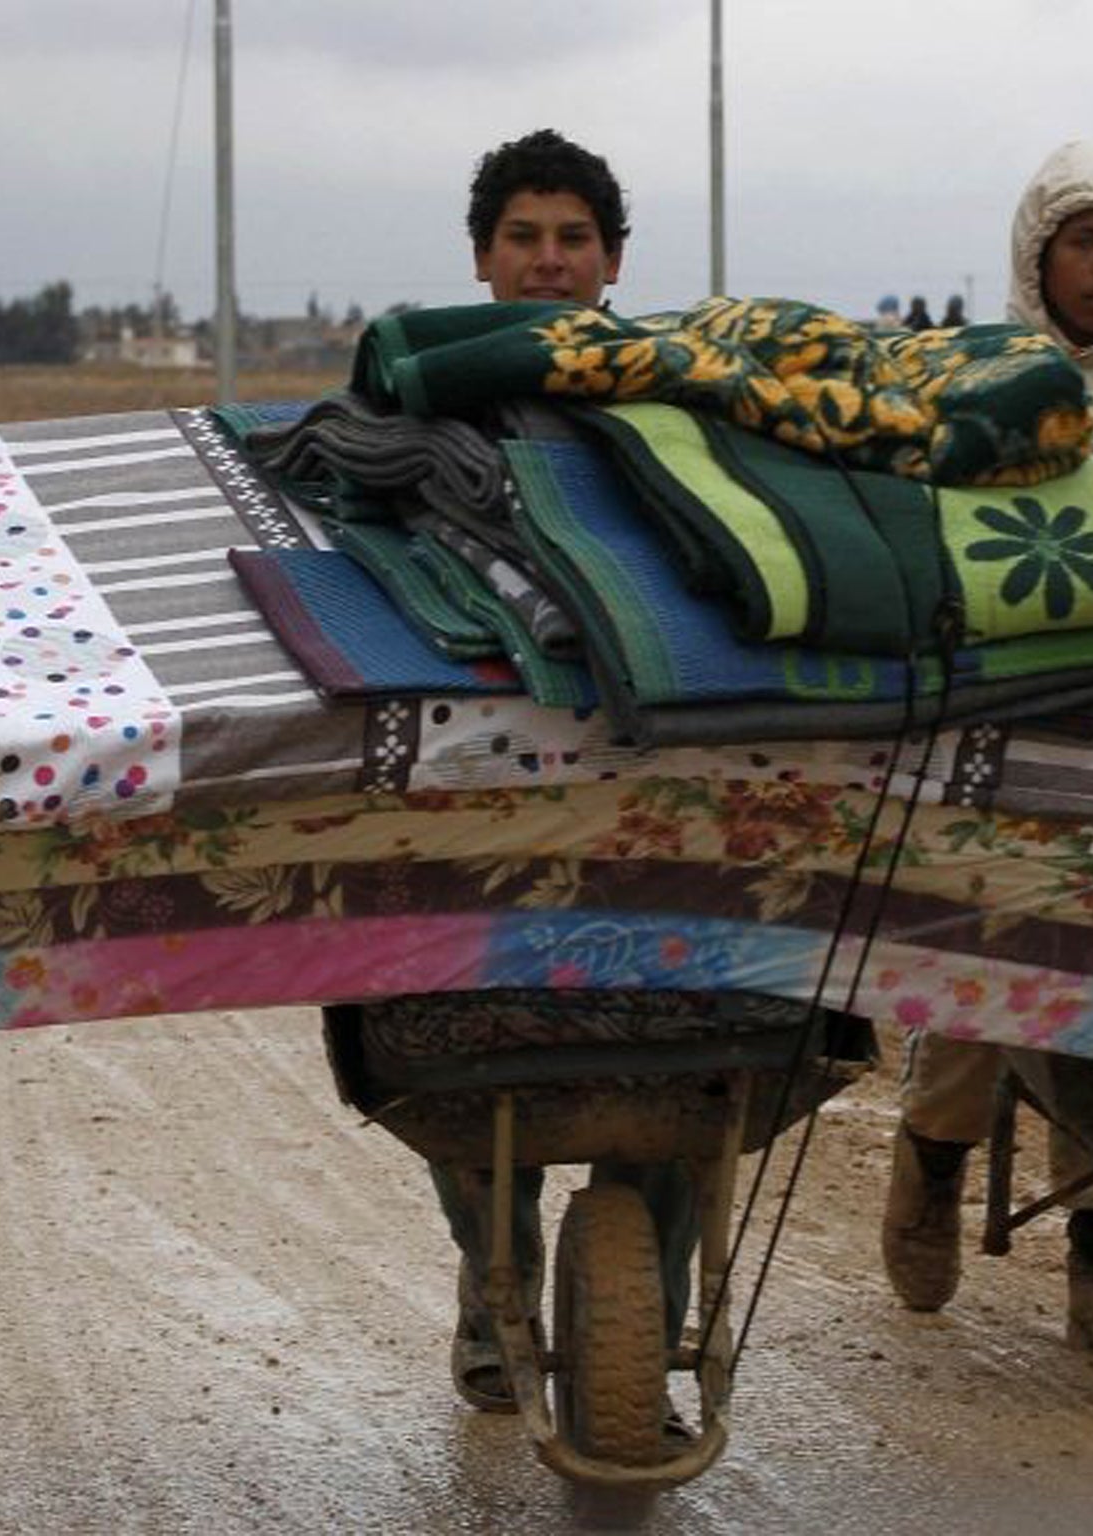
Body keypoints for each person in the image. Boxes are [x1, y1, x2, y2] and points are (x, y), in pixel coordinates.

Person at [880, 139, 1093, 1358]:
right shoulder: (976, 377)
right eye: (1082, 240)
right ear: (1038, 253)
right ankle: (927, 1166)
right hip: (1008, 723)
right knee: (984, 962)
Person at [408, 129, 697, 1417]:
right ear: (481, 259)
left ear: (612, 262)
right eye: (522, 236)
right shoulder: (422, 400)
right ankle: (496, 1281)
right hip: (483, 786)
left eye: (571, 238)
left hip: (661, 783)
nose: (547, 258)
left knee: (722, 1047)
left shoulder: (675, 400)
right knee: (442, 1037)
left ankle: (654, 1312)